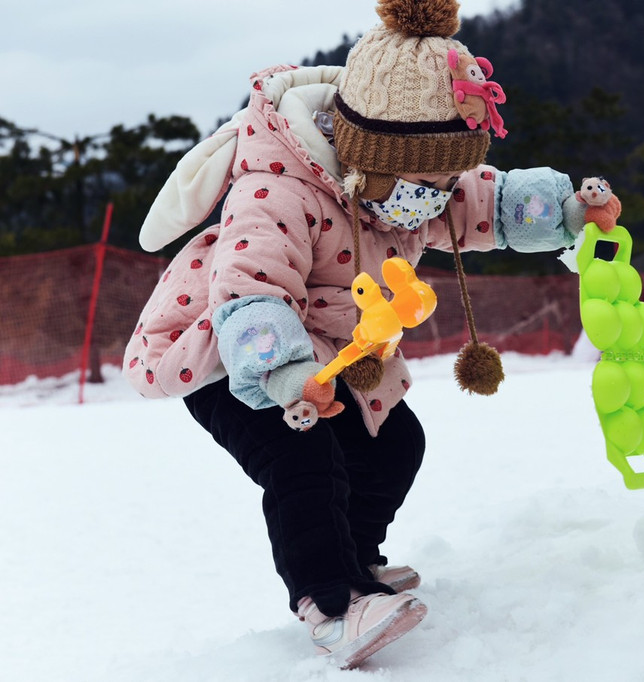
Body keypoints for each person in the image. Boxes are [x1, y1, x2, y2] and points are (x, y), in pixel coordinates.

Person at [122, 0, 592, 669]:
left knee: (393, 444)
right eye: (423, 182)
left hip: (329, 353)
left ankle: (358, 561)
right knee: (303, 457)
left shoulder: (412, 192)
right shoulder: (278, 191)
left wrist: (569, 213)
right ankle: (332, 602)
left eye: (444, 182)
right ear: (369, 155)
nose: (435, 198)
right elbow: (251, 287)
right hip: (236, 355)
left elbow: (485, 199)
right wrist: (285, 375)